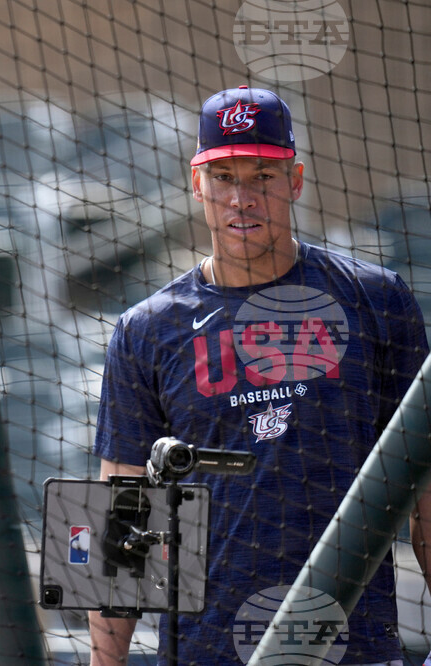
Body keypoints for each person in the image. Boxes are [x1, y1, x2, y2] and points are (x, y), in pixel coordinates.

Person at [89, 87, 428, 665]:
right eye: (223, 177)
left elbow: (426, 493)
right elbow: (122, 515)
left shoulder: (375, 300)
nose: (241, 198)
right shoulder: (146, 330)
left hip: (355, 648)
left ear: (295, 180)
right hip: (207, 649)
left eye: (263, 177)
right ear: (198, 186)